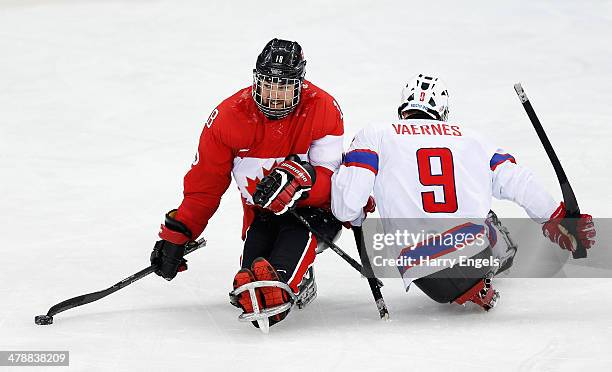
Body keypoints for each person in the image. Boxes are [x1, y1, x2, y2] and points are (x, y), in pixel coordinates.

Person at [331, 73, 596, 310]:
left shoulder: (376, 134)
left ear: (403, 108)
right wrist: (557, 216)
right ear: (443, 111)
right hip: (474, 256)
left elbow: (347, 207)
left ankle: (475, 282)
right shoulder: (472, 138)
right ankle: (489, 267)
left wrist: (355, 208)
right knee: (483, 212)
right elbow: (519, 182)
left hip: (424, 272)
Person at [149, 39, 344, 330]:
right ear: (256, 80)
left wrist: (303, 181)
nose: (274, 95)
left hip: (312, 214)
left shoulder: (323, 107)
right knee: (250, 279)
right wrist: (179, 234)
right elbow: (205, 186)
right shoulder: (227, 118)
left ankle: (292, 278)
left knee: (279, 271)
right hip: (260, 216)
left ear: (300, 84)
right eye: (268, 84)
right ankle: (283, 278)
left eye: (284, 86)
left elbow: (333, 181)